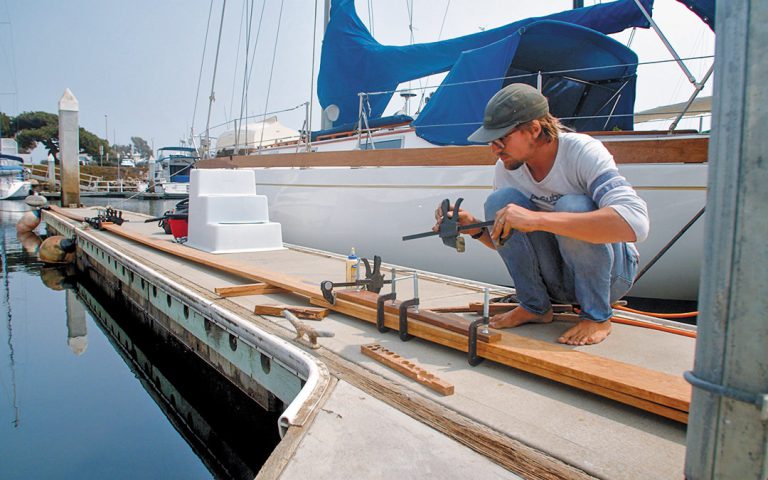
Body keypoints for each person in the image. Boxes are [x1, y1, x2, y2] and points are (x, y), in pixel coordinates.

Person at [437, 83, 648, 346]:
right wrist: (477, 229)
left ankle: (597, 315)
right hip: (558, 280)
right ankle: (535, 307)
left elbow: (635, 222)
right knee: (500, 202)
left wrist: (537, 220)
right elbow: (510, 244)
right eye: (491, 141)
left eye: (501, 138)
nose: (495, 149)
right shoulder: (507, 168)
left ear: (534, 130)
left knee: (572, 206)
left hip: (611, 278)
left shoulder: (582, 152)